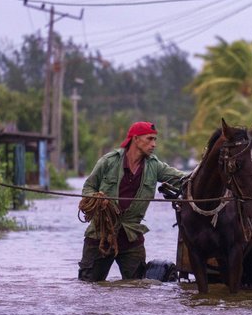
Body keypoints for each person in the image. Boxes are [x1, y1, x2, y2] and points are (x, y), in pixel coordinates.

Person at [78, 121, 185, 282]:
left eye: (155, 140)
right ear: (135, 139)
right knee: (88, 286)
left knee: (136, 290)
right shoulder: (108, 162)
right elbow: (88, 188)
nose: (154, 144)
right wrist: (97, 199)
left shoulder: (155, 166)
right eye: (149, 139)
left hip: (131, 238)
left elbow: (183, 180)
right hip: (100, 236)